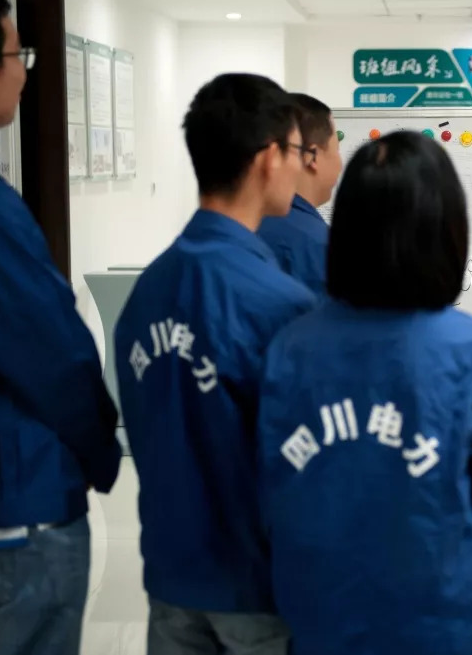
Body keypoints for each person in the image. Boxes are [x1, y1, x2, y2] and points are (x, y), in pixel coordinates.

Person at [256, 130, 472, 655]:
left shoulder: (290, 349)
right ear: (448, 229)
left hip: (319, 624)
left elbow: (266, 499)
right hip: (444, 628)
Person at [0, 0, 122, 654]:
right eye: (20, 55)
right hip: (2, 512)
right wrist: (99, 450)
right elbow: (50, 351)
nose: (24, 72)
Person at [113, 73, 314, 655]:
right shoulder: (281, 304)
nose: (302, 168)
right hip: (256, 587)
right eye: (297, 152)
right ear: (269, 159)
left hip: (171, 577)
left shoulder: (149, 289)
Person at [257, 93, 342, 296]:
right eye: (336, 150)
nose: (340, 162)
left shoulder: (245, 225)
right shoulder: (322, 247)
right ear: (312, 157)